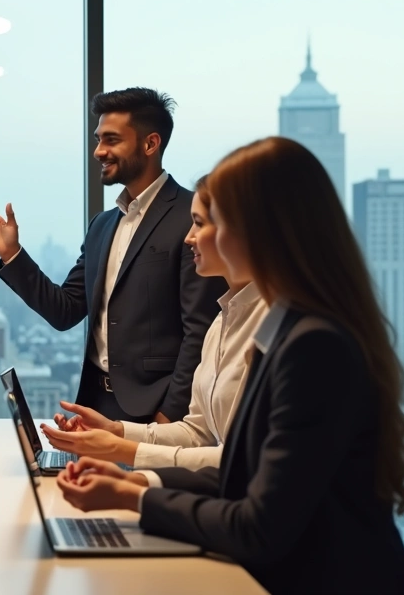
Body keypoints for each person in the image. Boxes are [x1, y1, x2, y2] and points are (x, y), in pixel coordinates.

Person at [55, 137, 404, 594]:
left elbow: (258, 525)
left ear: (259, 232)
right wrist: (136, 472)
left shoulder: (314, 347)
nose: (190, 236)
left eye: (208, 222)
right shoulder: (288, 327)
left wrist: (137, 494)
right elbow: (242, 474)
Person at [0, 88, 225, 423]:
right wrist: (13, 254)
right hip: (95, 406)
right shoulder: (102, 225)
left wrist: (169, 415)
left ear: (150, 144)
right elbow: (65, 310)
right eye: (98, 139)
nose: (99, 151)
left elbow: (201, 331)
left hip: (157, 412)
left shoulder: (191, 216)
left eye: (112, 140)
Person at [38, 174, 268, 470]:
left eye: (198, 223)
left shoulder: (273, 329)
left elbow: (243, 462)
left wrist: (129, 459)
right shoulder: (222, 321)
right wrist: (116, 432)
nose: (188, 237)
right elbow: (198, 433)